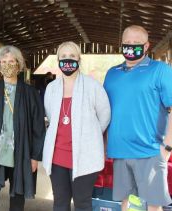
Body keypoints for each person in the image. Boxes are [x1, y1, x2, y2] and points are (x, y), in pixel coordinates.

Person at [104, 25, 172, 211]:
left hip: (149, 151)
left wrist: (167, 147)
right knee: (127, 203)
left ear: (147, 46)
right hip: (120, 152)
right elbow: (105, 112)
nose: (131, 46)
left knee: (152, 205)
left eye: (136, 43)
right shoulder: (112, 73)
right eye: (127, 43)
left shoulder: (160, 70)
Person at [43, 41, 111, 211]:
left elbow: (104, 116)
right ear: (58, 60)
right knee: (60, 202)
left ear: (79, 60)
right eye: (63, 56)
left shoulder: (93, 86)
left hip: (85, 156)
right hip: (57, 157)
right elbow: (51, 117)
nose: (68, 60)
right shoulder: (51, 88)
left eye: (72, 56)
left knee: (82, 203)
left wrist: (90, 135)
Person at [0, 45, 45, 211]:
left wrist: (35, 156)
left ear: (19, 64)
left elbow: (38, 126)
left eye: (12, 61)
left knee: (17, 196)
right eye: (4, 61)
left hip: (21, 151)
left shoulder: (30, 93)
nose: (8, 65)